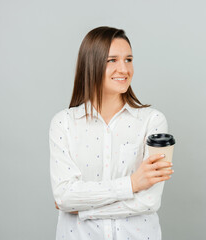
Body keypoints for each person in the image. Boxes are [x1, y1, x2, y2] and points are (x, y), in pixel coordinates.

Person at [49, 26, 174, 240]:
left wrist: (85, 210)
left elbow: (149, 201)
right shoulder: (64, 124)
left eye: (128, 59)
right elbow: (65, 197)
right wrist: (132, 184)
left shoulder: (152, 122)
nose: (124, 69)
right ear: (91, 64)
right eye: (112, 60)